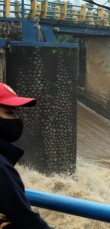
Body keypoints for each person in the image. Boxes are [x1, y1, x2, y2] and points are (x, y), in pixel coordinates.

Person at [0, 82, 52, 228]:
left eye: (15, 113)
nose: (16, 119)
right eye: (9, 112)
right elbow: (25, 220)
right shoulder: (1, 167)